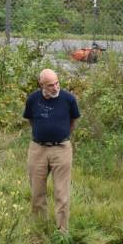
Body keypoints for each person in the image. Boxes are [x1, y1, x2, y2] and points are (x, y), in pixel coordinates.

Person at [23, 68, 80, 233]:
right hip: (38, 149)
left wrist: (61, 135)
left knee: (62, 193)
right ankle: (40, 228)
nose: (55, 88)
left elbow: (73, 120)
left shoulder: (68, 99)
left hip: (61, 148)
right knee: (37, 191)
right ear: (41, 85)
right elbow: (31, 120)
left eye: (57, 83)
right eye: (50, 85)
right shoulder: (33, 99)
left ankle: (62, 231)